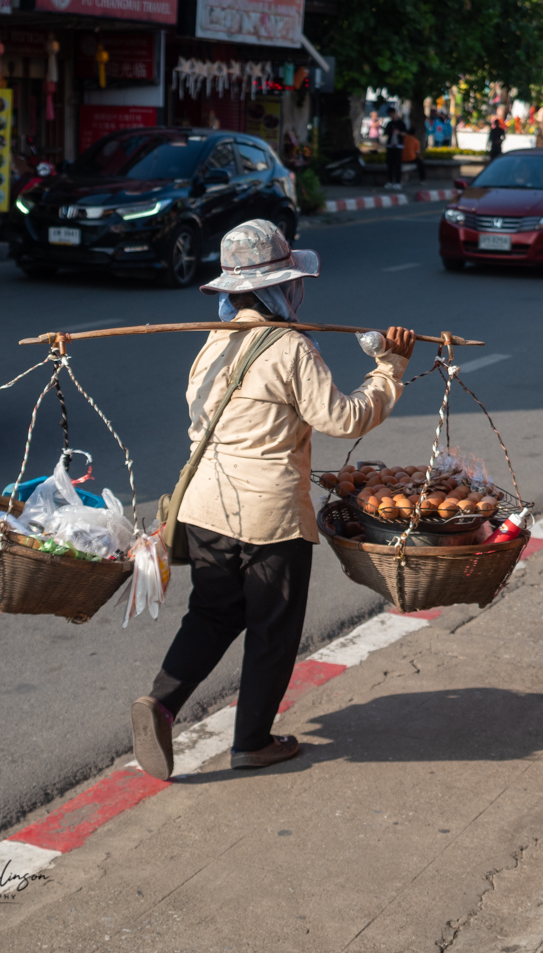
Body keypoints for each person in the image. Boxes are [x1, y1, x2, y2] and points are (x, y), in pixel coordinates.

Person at [130, 219, 416, 780]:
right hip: (269, 518)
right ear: (279, 288)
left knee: (213, 613)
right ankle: (252, 741)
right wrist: (390, 370)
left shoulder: (212, 345)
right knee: (273, 628)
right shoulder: (290, 348)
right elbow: (343, 417)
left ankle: (161, 702)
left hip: (206, 508)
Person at [383, 106, 407, 189]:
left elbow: (405, 134)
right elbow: (386, 132)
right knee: (390, 164)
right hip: (390, 145)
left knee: (397, 164)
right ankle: (390, 181)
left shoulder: (401, 123)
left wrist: (399, 133)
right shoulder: (389, 124)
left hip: (398, 146)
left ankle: (397, 181)